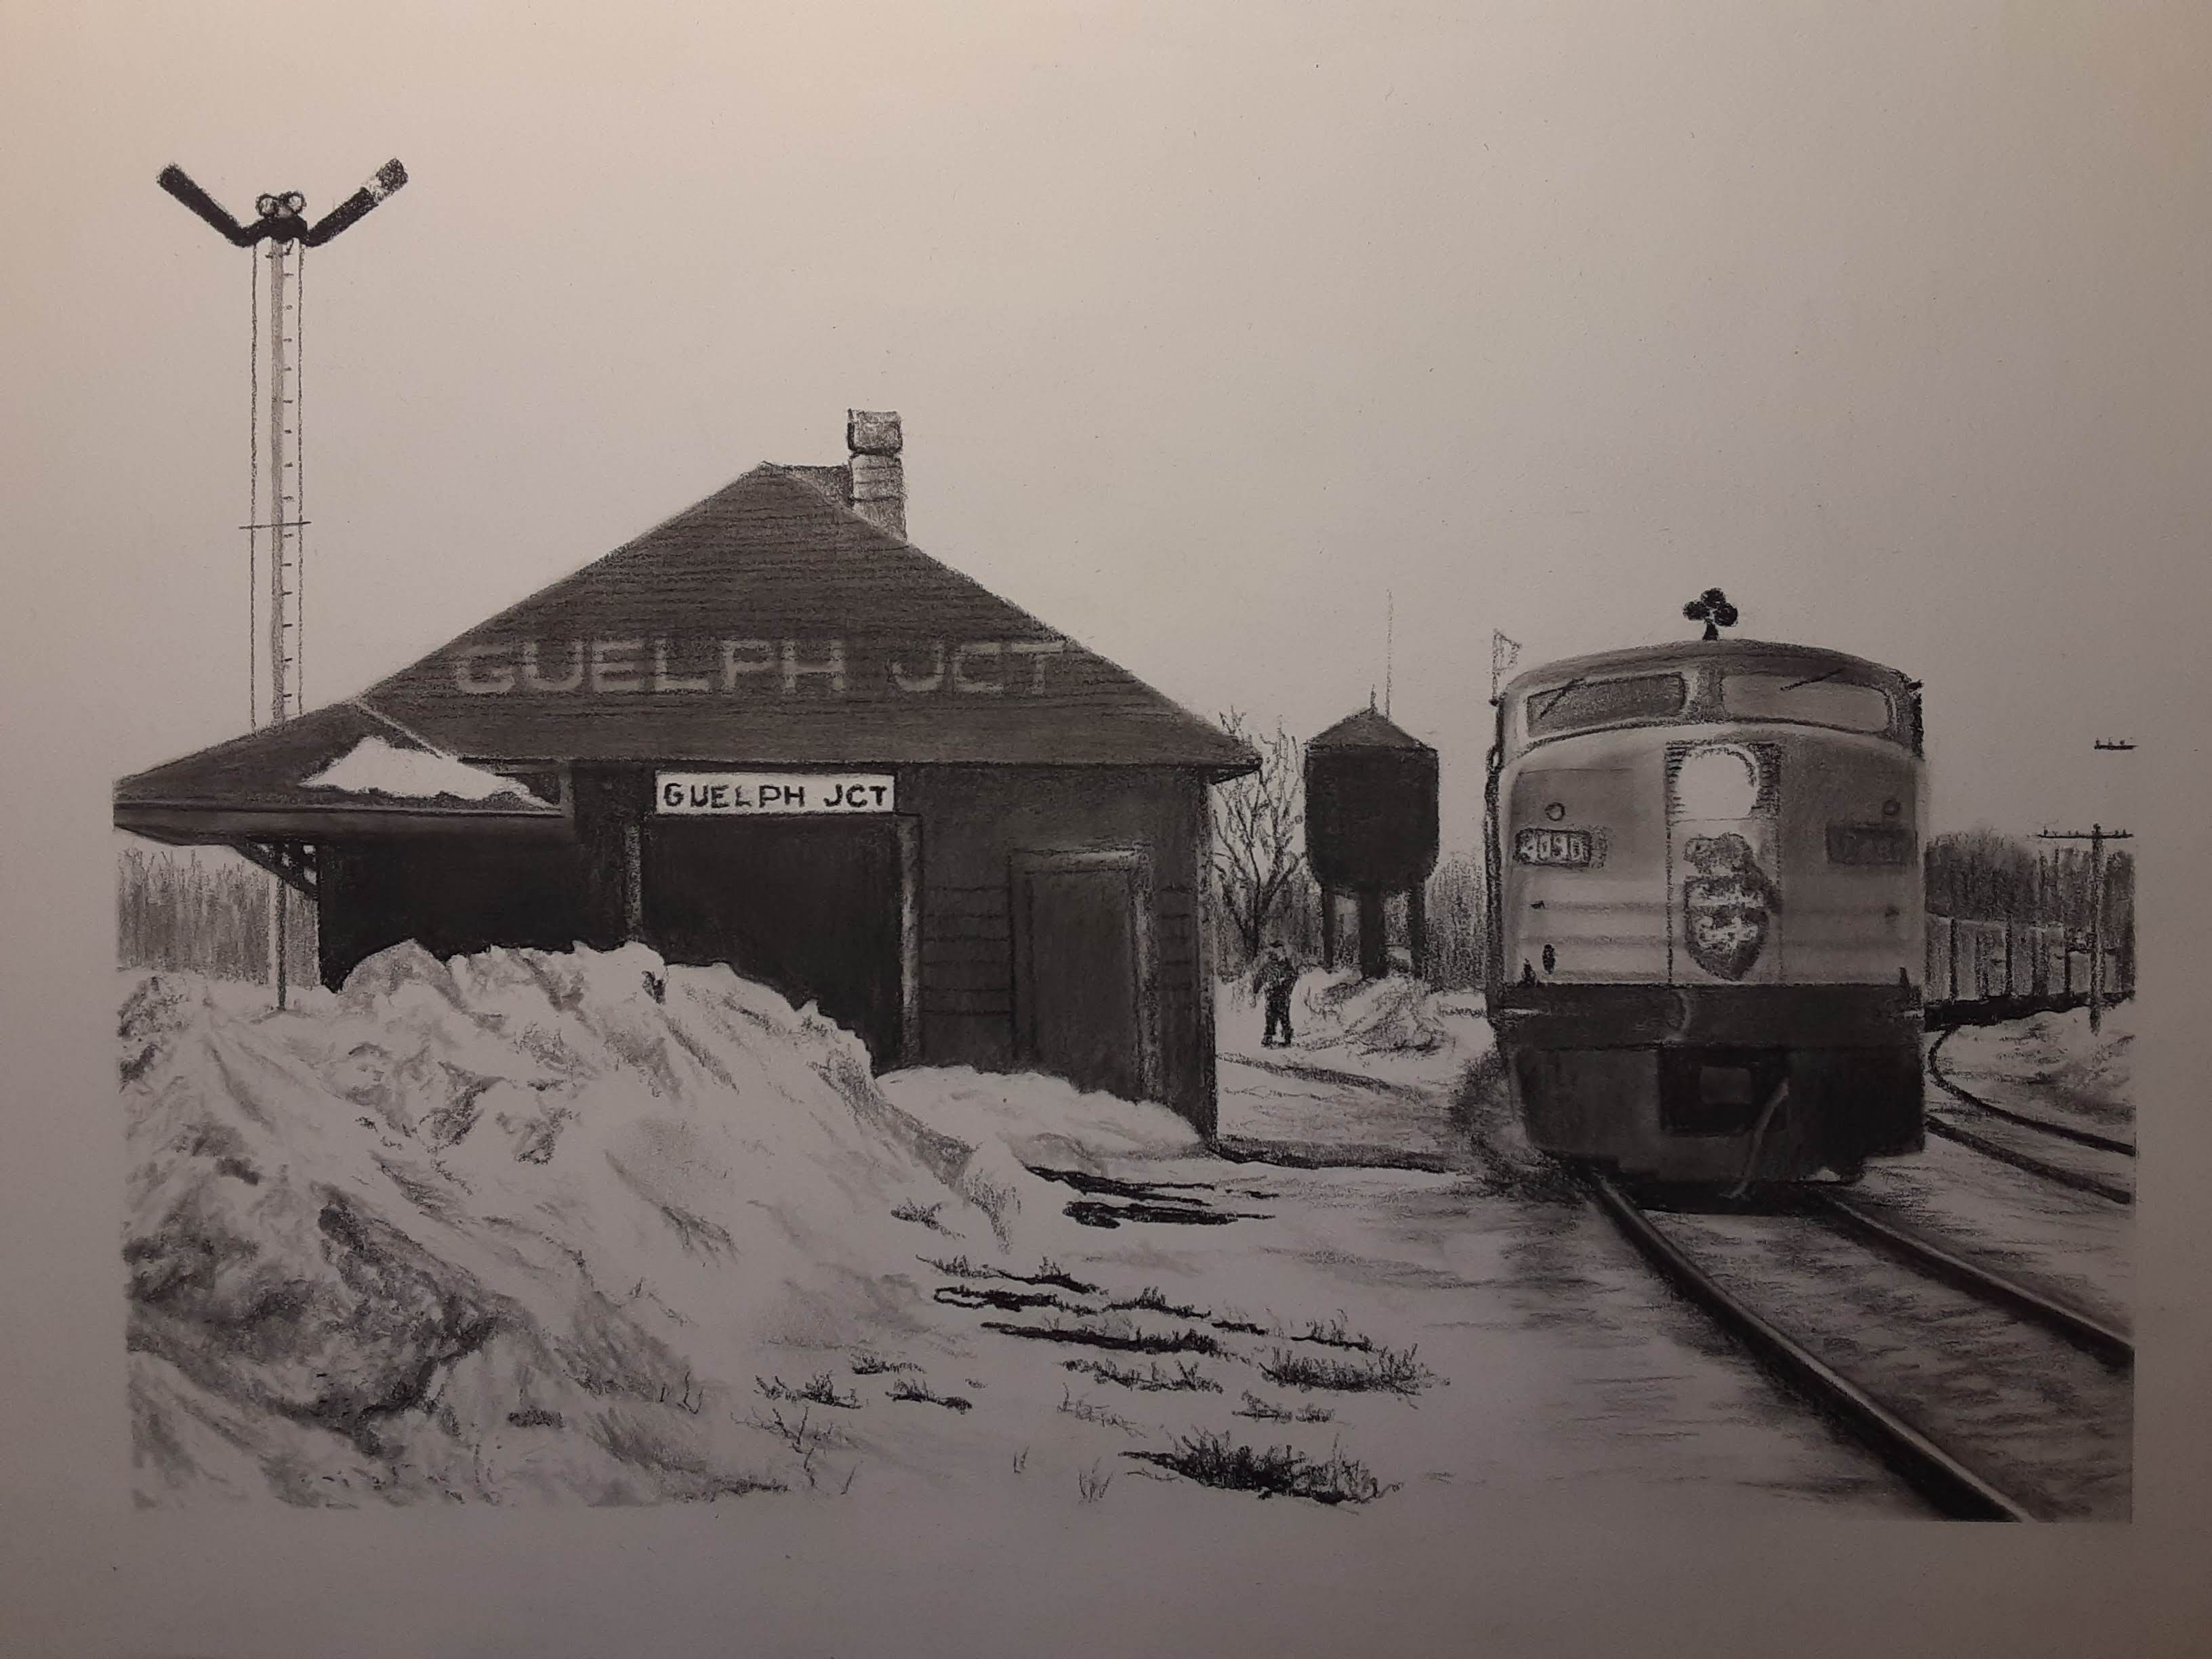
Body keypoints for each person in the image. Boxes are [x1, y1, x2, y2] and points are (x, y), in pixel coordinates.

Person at [1252, 939, 1298, 1048]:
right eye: (1274, 952)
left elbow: (1292, 977)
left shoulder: (1286, 965)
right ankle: (1268, 1037)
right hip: (1271, 995)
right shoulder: (1268, 965)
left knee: (1284, 1016)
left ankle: (1287, 1038)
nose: (1277, 954)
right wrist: (1256, 989)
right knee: (1270, 1016)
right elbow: (1260, 977)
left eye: (1280, 951)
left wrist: (1283, 983)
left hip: (1283, 995)